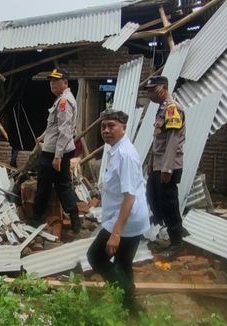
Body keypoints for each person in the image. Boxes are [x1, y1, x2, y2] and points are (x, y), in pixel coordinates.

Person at [87, 109, 149, 310]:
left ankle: (130, 303)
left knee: (96, 256)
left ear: (124, 127)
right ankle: (129, 307)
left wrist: (116, 233)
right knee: (123, 263)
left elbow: (129, 197)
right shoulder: (116, 150)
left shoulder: (125, 155)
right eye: (103, 126)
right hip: (127, 218)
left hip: (126, 220)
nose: (106, 130)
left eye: (111, 126)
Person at [30, 67, 81, 233]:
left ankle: (36, 218)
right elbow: (54, 126)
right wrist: (43, 136)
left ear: (65, 82)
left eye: (56, 81)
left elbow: (65, 131)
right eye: (51, 80)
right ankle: (75, 219)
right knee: (63, 184)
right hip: (57, 149)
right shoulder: (61, 99)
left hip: (55, 152)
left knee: (44, 185)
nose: (52, 84)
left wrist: (57, 156)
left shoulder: (64, 101)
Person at [144, 75, 186, 259]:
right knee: (153, 198)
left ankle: (177, 243)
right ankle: (167, 234)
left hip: (168, 167)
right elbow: (158, 142)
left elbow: (172, 142)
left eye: (152, 89)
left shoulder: (172, 109)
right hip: (158, 165)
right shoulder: (161, 109)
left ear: (163, 87)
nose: (149, 93)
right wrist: (152, 165)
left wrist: (166, 169)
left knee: (169, 205)